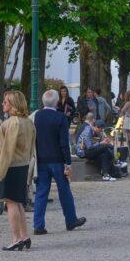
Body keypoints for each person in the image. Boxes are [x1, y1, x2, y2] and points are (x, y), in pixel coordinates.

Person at [33, 89, 86, 235]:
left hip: (41, 159)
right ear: (57, 102)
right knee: (64, 190)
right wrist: (68, 163)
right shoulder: (60, 117)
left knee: (41, 192)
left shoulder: (36, 116)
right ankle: (70, 220)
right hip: (57, 160)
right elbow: (64, 142)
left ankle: (38, 225)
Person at [0, 90, 36, 251]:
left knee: (11, 203)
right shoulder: (27, 122)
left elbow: (7, 150)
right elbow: (30, 147)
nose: (3, 104)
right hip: (22, 164)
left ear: (13, 104)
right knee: (18, 202)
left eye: (5, 102)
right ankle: (24, 236)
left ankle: (16, 238)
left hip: (11, 166)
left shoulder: (13, 123)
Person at [75, 113, 117, 181]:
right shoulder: (88, 130)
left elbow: (100, 143)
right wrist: (101, 143)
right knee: (104, 147)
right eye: (101, 129)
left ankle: (105, 175)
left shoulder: (96, 132)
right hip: (83, 151)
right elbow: (89, 147)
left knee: (103, 155)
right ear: (96, 127)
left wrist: (108, 142)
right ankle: (116, 160)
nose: (101, 131)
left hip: (91, 151)